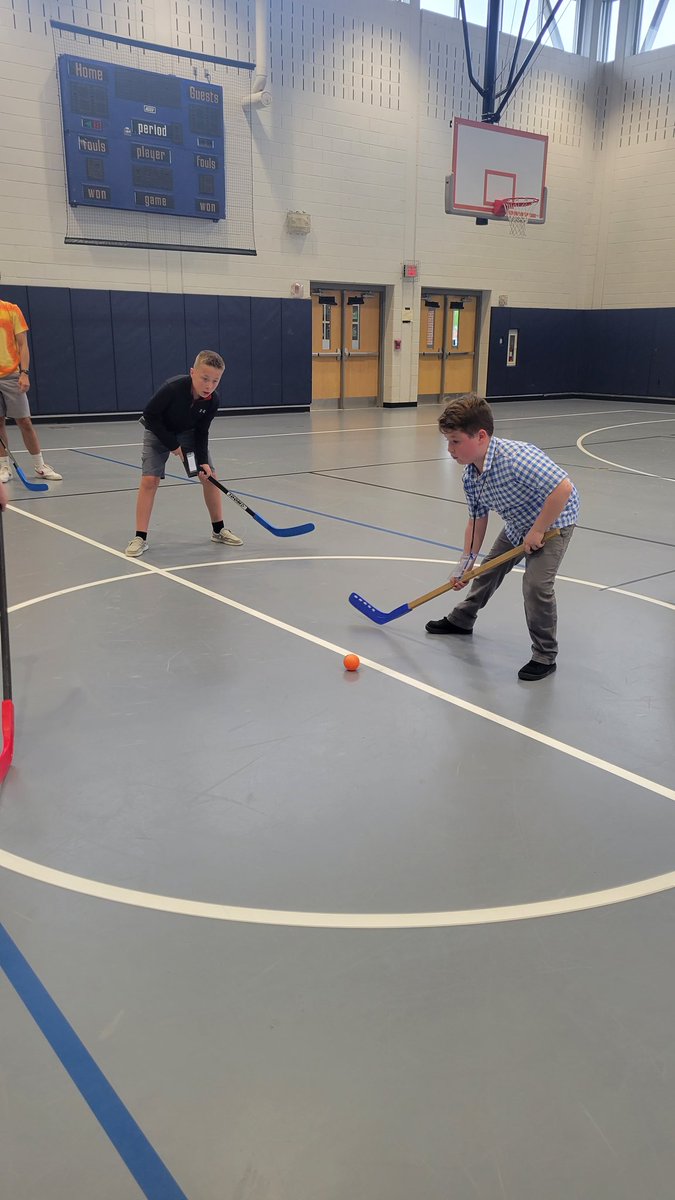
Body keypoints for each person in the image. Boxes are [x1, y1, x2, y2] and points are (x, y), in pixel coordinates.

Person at [425, 394, 579, 681]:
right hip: (519, 523)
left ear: (480, 436)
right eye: (448, 441)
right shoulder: (471, 476)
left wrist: (537, 530)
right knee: (487, 570)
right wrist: (465, 564)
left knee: (535, 586)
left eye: (456, 441)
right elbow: (477, 518)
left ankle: (545, 655)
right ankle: (462, 619)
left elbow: (563, 489)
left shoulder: (516, 458)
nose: (450, 449)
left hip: (554, 520)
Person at [124, 350, 243, 557]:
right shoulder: (173, 388)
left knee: (210, 477)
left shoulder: (212, 401)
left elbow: (202, 431)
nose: (209, 386)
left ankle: (218, 530)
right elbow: (150, 416)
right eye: (205, 378)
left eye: (215, 381)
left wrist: (203, 461)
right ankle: (140, 537)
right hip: (158, 431)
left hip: (188, 434)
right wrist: (172, 445)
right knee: (150, 480)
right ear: (192, 373)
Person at [0, 300, 63, 484]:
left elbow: (22, 345)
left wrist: (24, 372)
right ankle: (4, 467)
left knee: (25, 421)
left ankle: (40, 466)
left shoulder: (11, 310)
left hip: (11, 374)